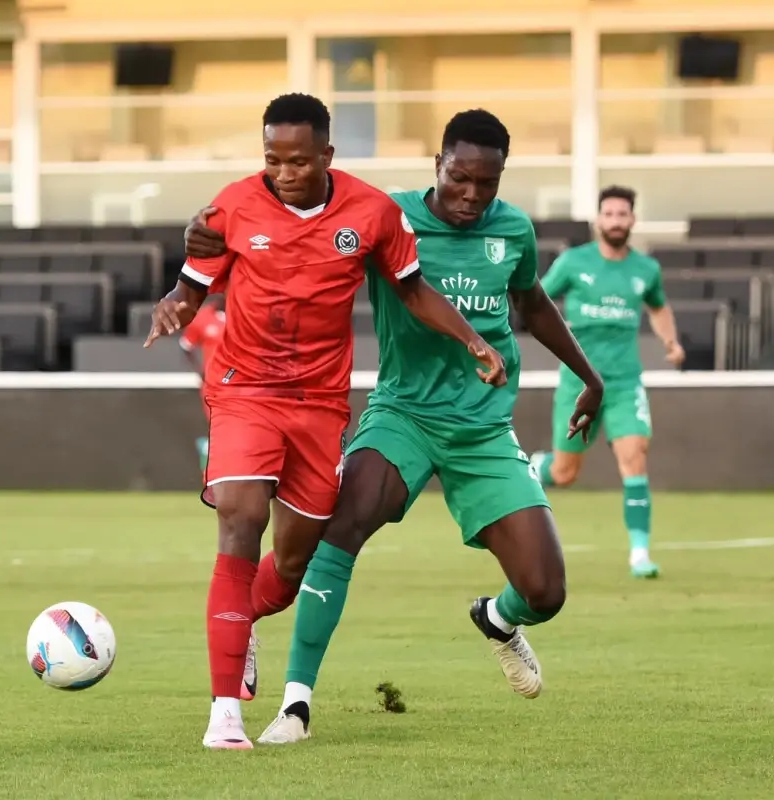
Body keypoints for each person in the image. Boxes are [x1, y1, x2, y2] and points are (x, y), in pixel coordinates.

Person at [183, 109, 604, 745]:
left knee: (546, 591)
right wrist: (202, 237)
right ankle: (295, 705)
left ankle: (497, 619)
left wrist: (588, 376)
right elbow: (294, 238)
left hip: (483, 428)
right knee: (337, 531)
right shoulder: (388, 215)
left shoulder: (514, 229)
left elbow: (533, 303)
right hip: (402, 414)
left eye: (486, 183)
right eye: (459, 177)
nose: (470, 194)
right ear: (438, 165)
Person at [146, 93, 507, 751]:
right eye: (273, 160)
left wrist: (472, 339)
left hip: (319, 405)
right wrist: (173, 302)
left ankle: (245, 621)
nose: (284, 173)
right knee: (241, 518)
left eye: (298, 162)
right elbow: (191, 285)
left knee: (290, 567)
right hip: (245, 389)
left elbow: (412, 289)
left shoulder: (372, 213)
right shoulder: (232, 206)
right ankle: (224, 715)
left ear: (327, 156)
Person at [528, 186, 684, 580]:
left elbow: (658, 306)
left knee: (635, 457)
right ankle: (538, 466)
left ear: (633, 220)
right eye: (609, 214)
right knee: (565, 474)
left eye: (622, 214)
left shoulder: (645, 270)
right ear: (598, 220)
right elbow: (536, 299)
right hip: (577, 383)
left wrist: (670, 341)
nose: (616, 221)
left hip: (624, 383)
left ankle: (640, 554)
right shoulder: (573, 262)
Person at [178, 294, 226, 472]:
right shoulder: (203, 317)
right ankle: (213, 472)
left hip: (241, 385)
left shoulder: (245, 316)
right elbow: (186, 346)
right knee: (218, 428)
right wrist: (200, 371)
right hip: (213, 387)